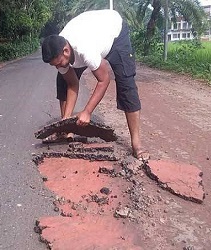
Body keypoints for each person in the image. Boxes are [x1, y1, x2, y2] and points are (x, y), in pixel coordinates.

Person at [41, 9, 149, 161]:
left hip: (115, 32)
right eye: (54, 65)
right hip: (92, 30)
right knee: (62, 81)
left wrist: (87, 112)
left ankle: (137, 144)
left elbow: (104, 80)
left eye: (58, 63)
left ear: (66, 51)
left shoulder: (85, 49)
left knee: (126, 84)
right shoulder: (61, 52)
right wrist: (65, 122)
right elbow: (72, 84)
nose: (57, 66)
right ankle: (67, 131)